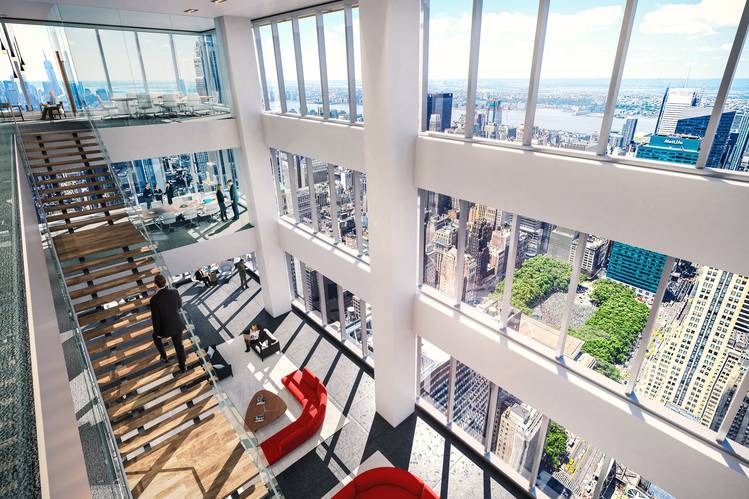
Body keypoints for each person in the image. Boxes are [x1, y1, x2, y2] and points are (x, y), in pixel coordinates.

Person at [150, 274, 187, 373]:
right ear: (165, 282)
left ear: (155, 284)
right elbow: (179, 305)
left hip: (165, 329)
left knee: (155, 337)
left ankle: (164, 356)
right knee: (179, 346)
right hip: (177, 325)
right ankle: (183, 367)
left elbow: (155, 319)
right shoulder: (174, 292)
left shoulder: (153, 300)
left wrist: (157, 333)